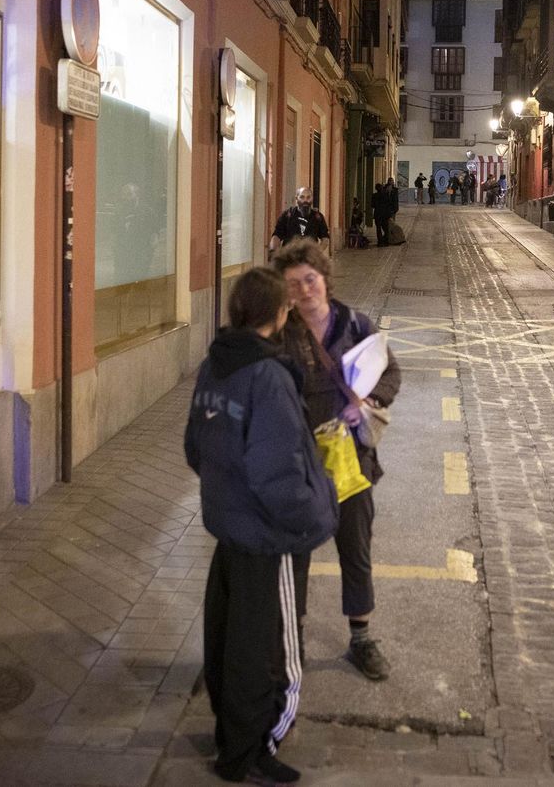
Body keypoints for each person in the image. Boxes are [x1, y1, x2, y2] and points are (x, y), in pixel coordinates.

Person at [185, 267, 338, 785]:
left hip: (229, 528)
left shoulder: (215, 364)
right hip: (268, 536)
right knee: (272, 651)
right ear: (278, 314)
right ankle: (253, 749)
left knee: (229, 638)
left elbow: (195, 448)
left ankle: (232, 739)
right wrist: (317, 516)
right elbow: (277, 474)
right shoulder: (268, 376)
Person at [273, 239, 401, 682]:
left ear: (324, 278)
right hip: (301, 463)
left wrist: (367, 398)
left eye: (310, 279)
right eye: (294, 285)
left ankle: (362, 637)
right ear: (285, 292)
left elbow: (391, 371)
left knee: (356, 548)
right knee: (297, 553)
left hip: (352, 461)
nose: (305, 290)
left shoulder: (354, 323)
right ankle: (295, 636)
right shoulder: (280, 332)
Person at [269, 187, 330, 256]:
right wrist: (273, 251)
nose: (305, 201)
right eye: (302, 197)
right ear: (296, 198)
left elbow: (325, 238)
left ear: (312, 198)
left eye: (308, 197)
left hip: (309, 260)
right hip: (289, 257)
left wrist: (316, 252)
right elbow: (277, 235)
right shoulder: (287, 215)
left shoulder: (318, 217)